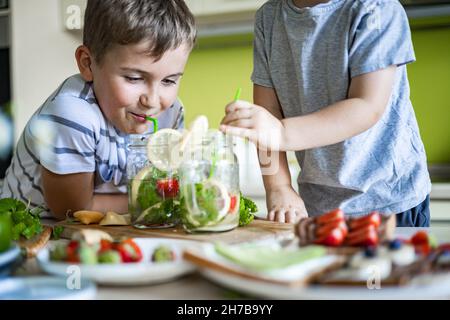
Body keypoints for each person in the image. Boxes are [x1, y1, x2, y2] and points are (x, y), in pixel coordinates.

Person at [220, 0, 431, 227]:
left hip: (390, 202)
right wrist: (278, 186)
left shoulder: (376, 8)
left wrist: (281, 133)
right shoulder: (268, 18)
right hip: (318, 207)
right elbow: (266, 119)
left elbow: (367, 106)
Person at [0, 0, 196, 220]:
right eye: (134, 78)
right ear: (87, 63)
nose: (151, 100)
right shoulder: (73, 115)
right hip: (32, 235)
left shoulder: (171, 111)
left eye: (169, 81)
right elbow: (74, 211)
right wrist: (161, 197)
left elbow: (170, 176)